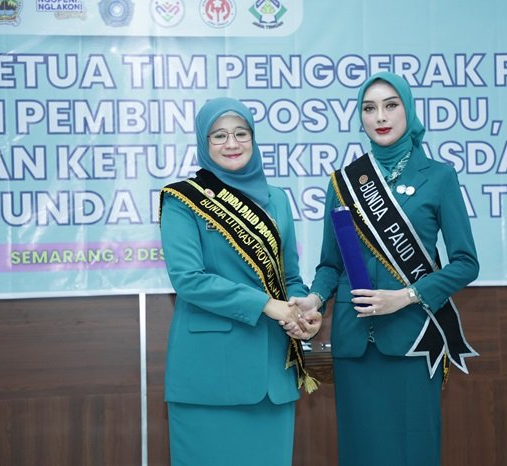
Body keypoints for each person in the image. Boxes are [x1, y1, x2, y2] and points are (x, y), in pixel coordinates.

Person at [287, 72, 479, 465]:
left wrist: (406, 296)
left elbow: (466, 264)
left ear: (408, 110)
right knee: (360, 451)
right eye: (369, 108)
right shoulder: (343, 182)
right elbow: (330, 264)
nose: (380, 116)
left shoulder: (439, 177)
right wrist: (315, 298)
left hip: (413, 338)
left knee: (413, 450)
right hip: (354, 344)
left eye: (391, 105)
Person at [159, 97, 321, 466]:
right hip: (209, 375)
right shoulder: (182, 199)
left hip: (272, 373)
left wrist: (303, 311)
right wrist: (266, 304)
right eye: (219, 136)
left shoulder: (277, 199)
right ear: (204, 142)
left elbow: (289, 277)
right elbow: (189, 280)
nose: (231, 143)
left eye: (240, 133)